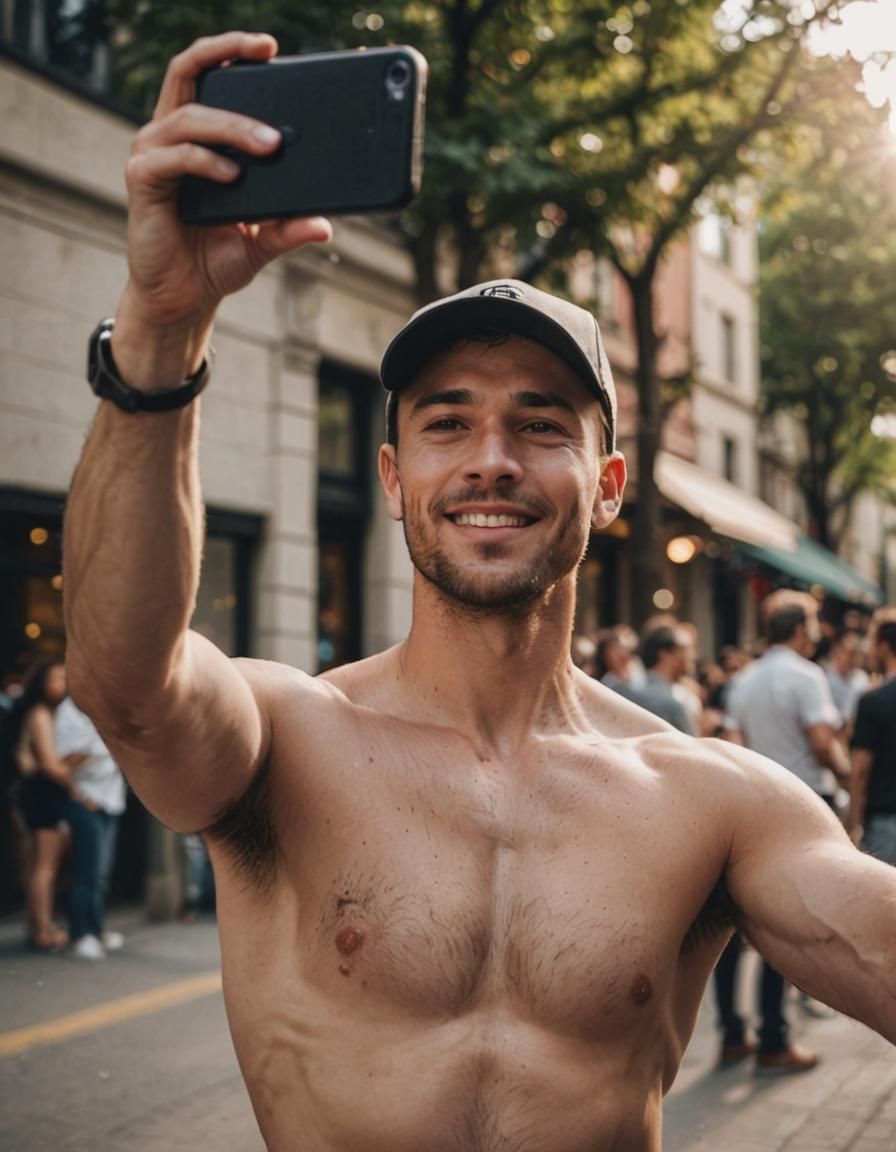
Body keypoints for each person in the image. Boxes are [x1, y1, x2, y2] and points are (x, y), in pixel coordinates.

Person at [61, 33, 896, 1151]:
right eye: (447, 422)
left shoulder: (712, 802)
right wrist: (161, 325)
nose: (491, 459)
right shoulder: (284, 739)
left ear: (604, 488)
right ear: (396, 479)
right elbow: (126, 683)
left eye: (538, 423)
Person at [721, 590, 852, 1071]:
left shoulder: (745, 679)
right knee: (781, 926)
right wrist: (845, 776)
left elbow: (733, 741)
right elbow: (822, 743)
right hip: (799, 806)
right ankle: (774, 1040)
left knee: (732, 928)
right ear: (800, 631)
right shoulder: (807, 676)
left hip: (749, 802)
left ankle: (732, 1034)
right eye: (814, 625)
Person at [9, 660, 77, 951]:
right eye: (56, 678)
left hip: (38, 794)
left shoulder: (50, 713)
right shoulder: (39, 714)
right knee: (45, 866)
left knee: (36, 863)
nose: (62, 684)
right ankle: (44, 931)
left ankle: (36, 925)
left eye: (65, 678)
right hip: (42, 794)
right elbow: (50, 765)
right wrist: (78, 784)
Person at [55, 696, 127, 959]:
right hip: (87, 801)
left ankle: (96, 930)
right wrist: (99, 742)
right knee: (88, 873)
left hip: (110, 801)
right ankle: (80, 935)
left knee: (101, 874)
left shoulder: (104, 705)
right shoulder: (69, 711)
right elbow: (66, 760)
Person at [849, 614, 896, 863]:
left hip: (885, 821)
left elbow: (860, 770)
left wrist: (853, 825)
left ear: (885, 647)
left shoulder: (873, 701)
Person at [613, 625, 696, 734]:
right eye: (684, 649)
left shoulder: (622, 692)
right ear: (664, 654)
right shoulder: (673, 704)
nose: (693, 656)